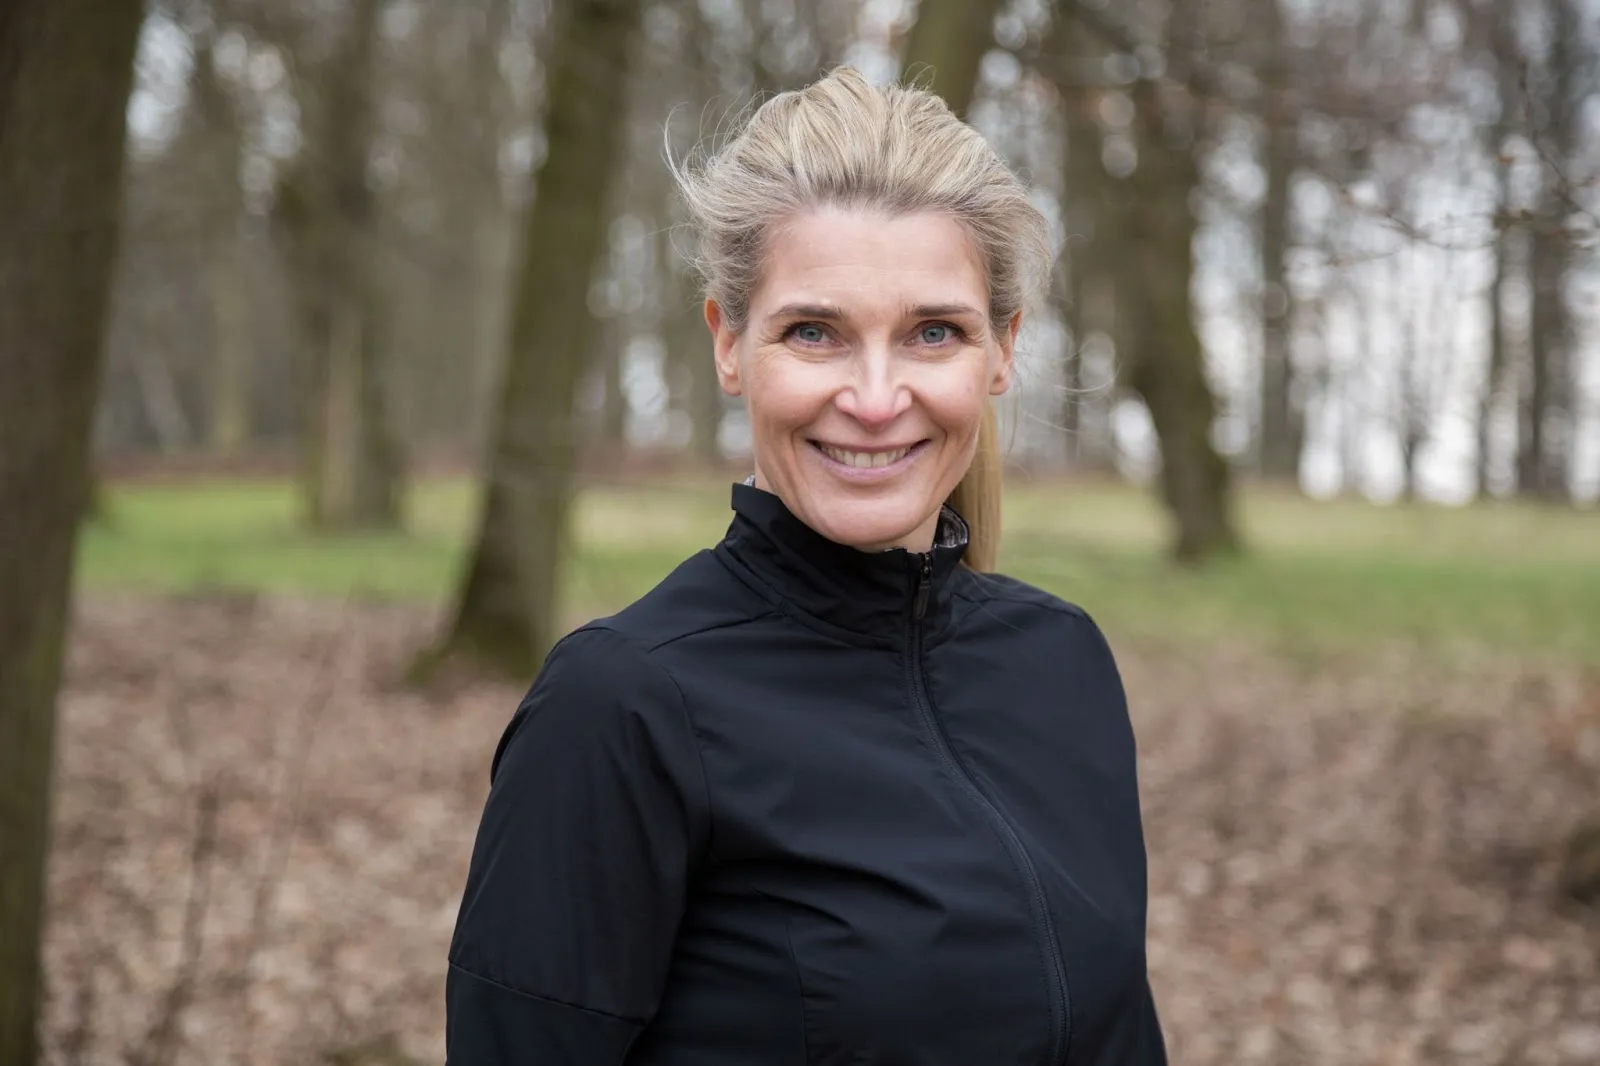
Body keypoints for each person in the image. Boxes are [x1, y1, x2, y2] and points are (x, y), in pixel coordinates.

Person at [444, 66, 1166, 1065]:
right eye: (814, 332)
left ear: (1001, 350)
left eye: (933, 332)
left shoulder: (1061, 660)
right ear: (729, 344)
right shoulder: (622, 706)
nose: (874, 399)